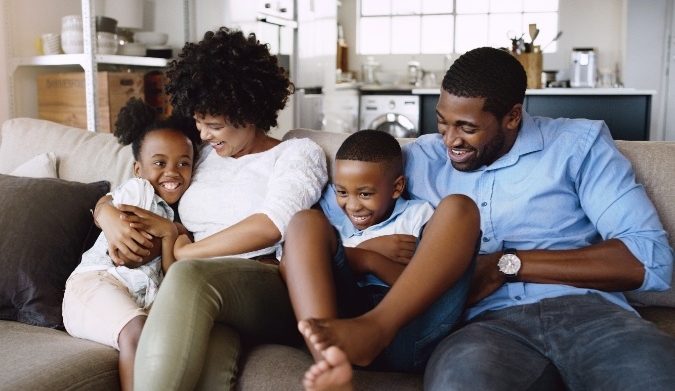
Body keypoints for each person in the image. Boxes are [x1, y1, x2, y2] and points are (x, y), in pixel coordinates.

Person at [397, 47, 674, 390]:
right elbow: (343, 206)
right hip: (482, 328)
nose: (450, 140)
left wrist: (507, 264)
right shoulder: (417, 160)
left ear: (512, 116)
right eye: (442, 121)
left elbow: (649, 260)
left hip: (592, 315)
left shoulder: (577, 145)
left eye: (467, 127)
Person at [94, 27, 328, 390]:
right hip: (206, 294)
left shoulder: (296, 153)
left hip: (265, 284)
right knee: (210, 355)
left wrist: (188, 252)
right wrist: (104, 212)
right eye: (199, 122)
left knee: (188, 277)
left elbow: (272, 224)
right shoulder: (202, 156)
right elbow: (142, 187)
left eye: (214, 125)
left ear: (249, 111)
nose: (203, 134)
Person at [282, 126, 481, 389]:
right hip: (345, 325)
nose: (352, 205)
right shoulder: (335, 228)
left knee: (459, 206)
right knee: (304, 221)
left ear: (397, 187)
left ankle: (370, 333)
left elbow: (423, 285)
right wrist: (367, 256)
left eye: (365, 194)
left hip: (410, 327)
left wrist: (369, 263)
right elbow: (288, 266)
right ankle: (330, 365)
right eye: (342, 192)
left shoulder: (418, 217)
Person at [62, 97, 201, 391]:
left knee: (166, 341)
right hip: (95, 284)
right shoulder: (140, 193)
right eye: (159, 163)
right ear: (138, 169)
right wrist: (109, 212)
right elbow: (125, 256)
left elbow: (171, 274)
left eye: (183, 163)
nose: (172, 172)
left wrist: (169, 232)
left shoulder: (181, 217)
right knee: (138, 334)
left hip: (136, 297)